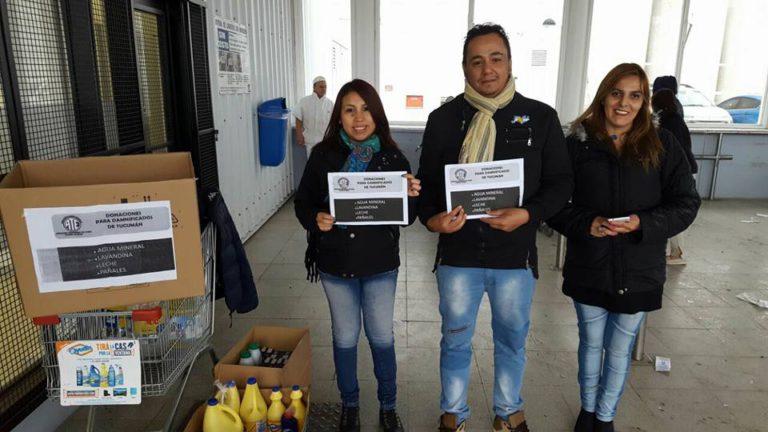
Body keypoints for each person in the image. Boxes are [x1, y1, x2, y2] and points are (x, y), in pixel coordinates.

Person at [417, 23, 573, 432]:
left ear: (509, 62)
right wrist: (433, 219)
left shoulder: (540, 118)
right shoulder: (443, 119)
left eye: (496, 58)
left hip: (514, 257)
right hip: (458, 256)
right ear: (465, 68)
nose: (487, 69)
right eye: (477, 61)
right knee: (455, 338)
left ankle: (509, 411)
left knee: (511, 340)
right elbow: (427, 187)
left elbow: (562, 184)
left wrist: (528, 214)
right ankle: (453, 411)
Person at [547, 63, 701, 432]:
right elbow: (553, 204)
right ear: (603, 97)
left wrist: (643, 224)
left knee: (619, 350)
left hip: (640, 268)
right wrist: (586, 223)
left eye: (635, 95)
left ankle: (605, 417)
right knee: (590, 343)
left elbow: (686, 203)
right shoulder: (576, 145)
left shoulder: (663, 145)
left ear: (644, 102)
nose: (624, 103)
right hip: (590, 264)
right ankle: (587, 409)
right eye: (617, 93)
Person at [294, 79, 420, 432]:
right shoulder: (323, 154)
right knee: (345, 338)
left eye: (366, 109)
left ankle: (388, 405)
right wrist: (315, 219)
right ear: (340, 115)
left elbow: (408, 218)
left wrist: (411, 195)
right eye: (350, 110)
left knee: (382, 337)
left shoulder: (393, 157)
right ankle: (350, 404)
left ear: (377, 114)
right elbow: (303, 201)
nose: (359, 118)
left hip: (380, 265)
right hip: (336, 264)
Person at [652, 88, 698, 265]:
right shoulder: (675, 118)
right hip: (680, 168)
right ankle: (673, 251)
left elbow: (672, 149)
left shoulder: (668, 121)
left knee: (674, 209)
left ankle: (677, 253)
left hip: (678, 170)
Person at [295, 76, 334, 157]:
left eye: (325, 87)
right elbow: (298, 118)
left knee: (325, 164)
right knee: (312, 163)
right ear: (314, 87)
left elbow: (333, 122)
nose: (324, 89)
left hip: (325, 141)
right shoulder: (304, 101)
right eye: (321, 87)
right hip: (310, 140)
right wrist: (299, 134)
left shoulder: (330, 104)